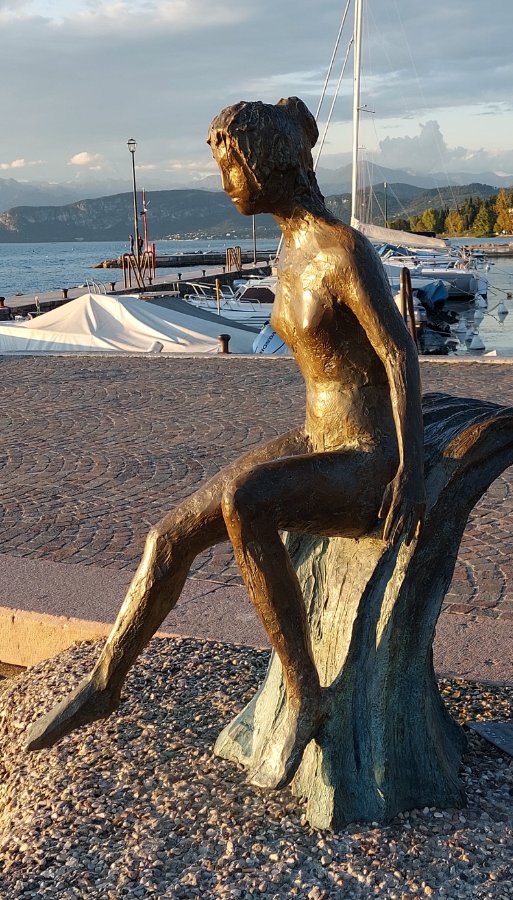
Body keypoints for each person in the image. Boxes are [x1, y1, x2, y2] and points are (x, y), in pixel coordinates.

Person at [26, 97, 426, 789]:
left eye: (231, 168)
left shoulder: (341, 250)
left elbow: (399, 356)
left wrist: (410, 474)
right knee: (168, 536)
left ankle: (307, 695)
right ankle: (105, 682)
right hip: (318, 440)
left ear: (267, 164)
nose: (224, 184)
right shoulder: (289, 248)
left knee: (246, 500)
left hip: (366, 460)